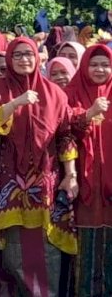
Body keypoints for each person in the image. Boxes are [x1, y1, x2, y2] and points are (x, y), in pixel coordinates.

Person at [0, 37, 79, 296]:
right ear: (9, 59)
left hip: (45, 184)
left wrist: (71, 174)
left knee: (47, 251)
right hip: (9, 185)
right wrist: (16, 103)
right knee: (13, 253)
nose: (24, 59)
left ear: (37, 57)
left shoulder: (55, 93)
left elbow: (66, 134)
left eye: (29, 54)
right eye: (18, 55)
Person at [63, 44, 112, 296]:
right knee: (85, 252)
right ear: (84, 66)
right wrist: (89, 113)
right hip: (82, 182)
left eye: (105, 64)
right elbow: (63, 128)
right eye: (94, 64)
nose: (100, 69)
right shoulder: (71, 92)